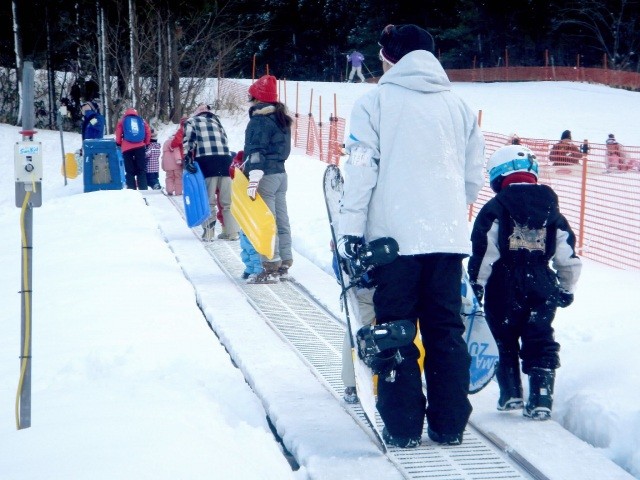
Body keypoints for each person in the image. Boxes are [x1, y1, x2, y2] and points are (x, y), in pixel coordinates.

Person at [336, 24, 485, 448]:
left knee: (396, 328)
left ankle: (402, 428)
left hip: (394, 241)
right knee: (445, 330)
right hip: (447, 239)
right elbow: (473, 175)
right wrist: (445, 212)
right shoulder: (459, 106)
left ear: (391, 58)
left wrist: (351, 230)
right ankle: (449, 425)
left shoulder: (375, 102)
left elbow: (361, 169)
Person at [468, 144, 582, 420]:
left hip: (503, 283)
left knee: (503, 336)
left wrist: (477, 284)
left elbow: (485, 251)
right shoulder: (552, 211)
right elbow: (567, 254)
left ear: (498, 175)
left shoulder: (495, 208)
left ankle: (511, 394)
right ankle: (541, 396)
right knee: (540, 336)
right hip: (541, 281)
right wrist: (566, 286)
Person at [243, 74, 294, 281]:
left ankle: (271, 265)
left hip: (265, 175)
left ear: (257, 98)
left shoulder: (260, 120)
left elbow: (256, 150)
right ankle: (285, 260)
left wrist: (254, 175)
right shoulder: (281, 119)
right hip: (281, 174)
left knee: (266, 221)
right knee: (281, 219)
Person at [183, 104, 239, 242]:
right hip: (225, 162)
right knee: (227, 201)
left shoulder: (192, 121)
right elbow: (225, 141)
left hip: (207, 162)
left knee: (208, 201)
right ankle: (232, 233)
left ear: (196, 113)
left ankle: (208, 233)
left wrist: (187, 160)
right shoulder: (217, 121)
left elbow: (189, 142)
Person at [115, 108, 151, 190]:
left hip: (127, 148)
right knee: (141, 170)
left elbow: (118, 133)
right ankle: (143, 189)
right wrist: (146, 143)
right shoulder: (141, 120)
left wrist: (118, 143)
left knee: (129, 171)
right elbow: (148, 131)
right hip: (140, 147)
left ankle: (131, 190)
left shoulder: (123, 121)